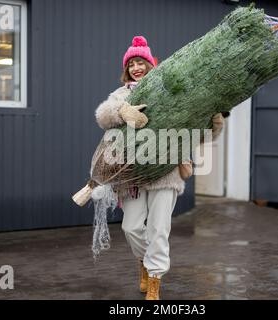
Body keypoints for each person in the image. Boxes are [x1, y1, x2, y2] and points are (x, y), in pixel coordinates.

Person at [94, 35, 226, 300]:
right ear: (126, 69)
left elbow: (203, 135)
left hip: (167, 172)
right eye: (131, 64)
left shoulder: (171, 91)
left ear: (152, 64)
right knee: (131, 227)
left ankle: (154, 278)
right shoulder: (121, 95)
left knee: (158, 229)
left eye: (141, 62)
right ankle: (144, 262)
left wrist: (213, 120)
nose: (136, 67)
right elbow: (102, 115)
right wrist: (123, 113)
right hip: (133, 175)